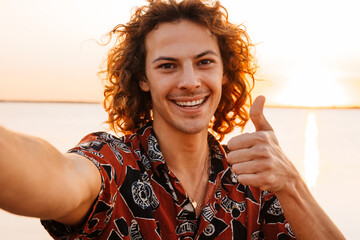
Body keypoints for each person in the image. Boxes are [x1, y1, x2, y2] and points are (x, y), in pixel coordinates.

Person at [0, 0, 345, 239]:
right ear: (143, 79)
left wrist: (291, 184)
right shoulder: (113, 165)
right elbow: (53, 175)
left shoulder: (254, 183)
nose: (190, 81)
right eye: (168, 65)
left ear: (225, 73)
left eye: (205, 62)